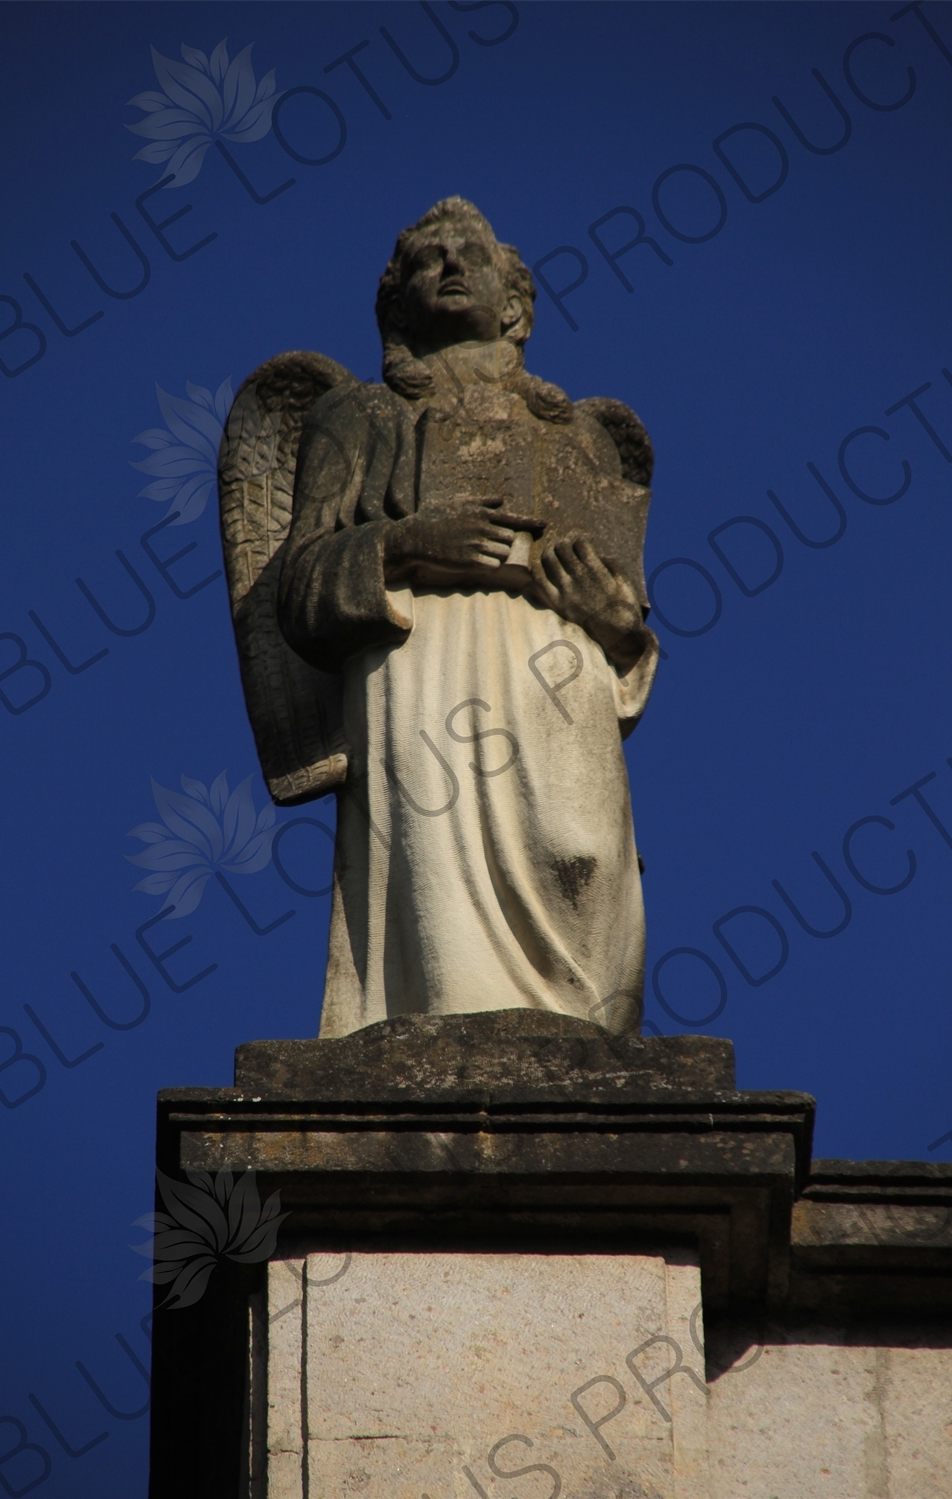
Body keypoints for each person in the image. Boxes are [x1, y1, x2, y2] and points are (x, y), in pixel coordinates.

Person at [279, 198, 659, 1037]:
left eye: (470, 257)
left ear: (515, 303)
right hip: (423, 650)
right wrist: (407, 544)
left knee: (583, 855)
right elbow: (298, 589)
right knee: (437, 890)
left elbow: (629, 610)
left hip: (559, 658)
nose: (449, 266)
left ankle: (590, 1044)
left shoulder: (583, 435)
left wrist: (619, 624)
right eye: (426, 258)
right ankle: (440, 1042)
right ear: (396, 302)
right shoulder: (359, 418)